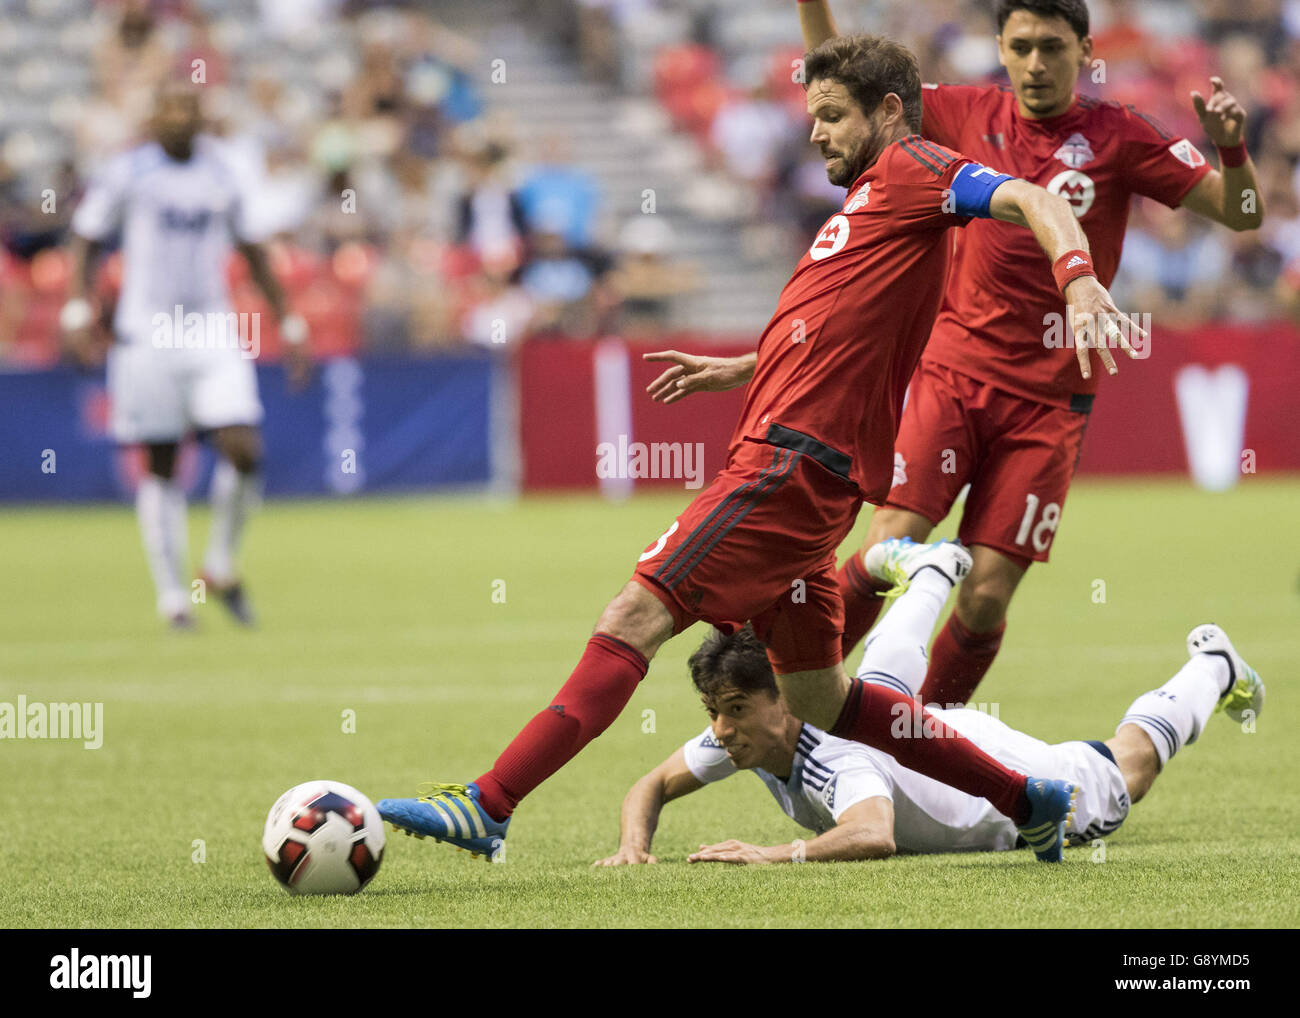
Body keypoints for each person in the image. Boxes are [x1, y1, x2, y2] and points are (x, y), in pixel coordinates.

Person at [379, 32, 1142, 863]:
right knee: (824, 698)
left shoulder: (920, 168)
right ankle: (1027, 799)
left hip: (785, 467)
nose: (814, 133)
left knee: (633, 615)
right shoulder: (867, 203)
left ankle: (489, 803)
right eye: (811, 115)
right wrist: (748, 363)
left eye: (831, 116)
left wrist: (1076, 278)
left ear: (888, 111)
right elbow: (846, 323)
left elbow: (1039, 199)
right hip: (816, 476)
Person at [649, 0, 1263, 709]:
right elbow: (843, 73)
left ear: (1085, 48)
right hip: (953, 374)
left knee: (986, 594)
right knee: (890, 548)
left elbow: (1242, 213)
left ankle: (925, 735)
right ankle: (783, 701)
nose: (1037, 63)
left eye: (1054, 48)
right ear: (999, 47)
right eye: (1022, 46)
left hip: (1051, 401)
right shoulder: (965, 112)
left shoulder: (1119, 134)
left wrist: (1234, 152)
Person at [594, 538, 1265, 866]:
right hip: (936, 733)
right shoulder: (746, 735)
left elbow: (873, 835)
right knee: (879, 690)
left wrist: (774, 853)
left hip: (1007, 789)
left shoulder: (833, 760)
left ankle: (1212, 665)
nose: (722, 729)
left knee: (1130, 768)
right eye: (716, 710)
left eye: (736, 709)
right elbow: (648, 785)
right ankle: (933, 569)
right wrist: (633, 846)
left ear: (783, 704)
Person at [63, 83, 310, 629]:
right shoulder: (129, 171)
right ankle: (173, 597)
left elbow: (252, 249)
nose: (178, 116)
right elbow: (86, 236)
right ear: (153, 115)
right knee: (162, 464)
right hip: (146, 331)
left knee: (243, 448)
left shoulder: (222, 171)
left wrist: (289, 321)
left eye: (187, 107)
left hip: (211, 328)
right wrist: (79, 309)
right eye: (168, 106)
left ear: (201, 117)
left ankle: (218, 565)